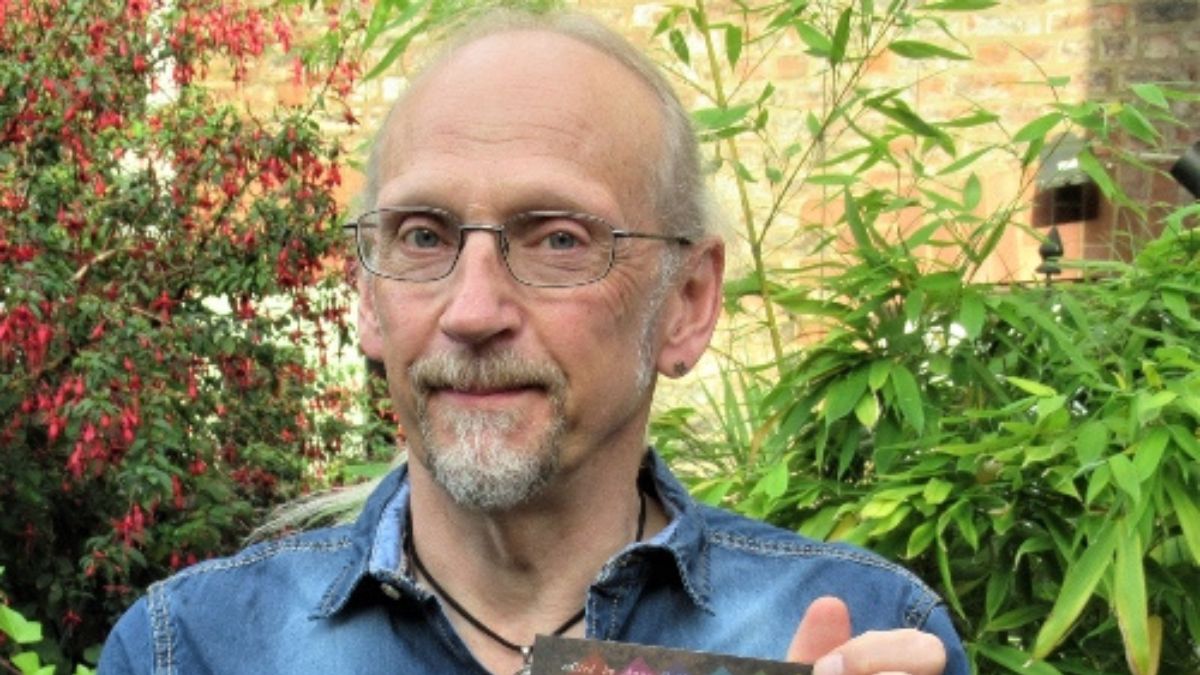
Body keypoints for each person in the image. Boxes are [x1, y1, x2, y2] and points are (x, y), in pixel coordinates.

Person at [99, 9, 967, 675]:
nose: (472, 309)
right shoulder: (190, 650)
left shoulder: (862, 629)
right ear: (368, 294)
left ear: (687, 303)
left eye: (558, 239)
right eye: (424, 237)